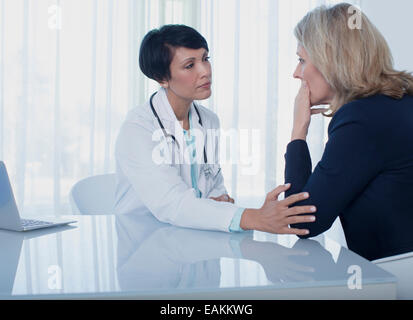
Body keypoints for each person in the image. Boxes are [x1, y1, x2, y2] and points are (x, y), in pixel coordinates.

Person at [115, 24, 316, 235]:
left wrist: (221, 202)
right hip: (145, 243)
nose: (205, 71)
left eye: (205, 59)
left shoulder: (208, 120)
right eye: (190, 65)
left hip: (194, 239)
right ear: (162, 79)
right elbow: (172, 204)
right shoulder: (138, 130)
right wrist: (253, 217)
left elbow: (215, 187)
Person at [285, 3, 413, 261]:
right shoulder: (401, 100)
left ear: (331, 60)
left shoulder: (360, 120)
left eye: (302, 60)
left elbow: (303, 220)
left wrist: (298, 131)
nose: (296, 73)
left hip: (394, 279)